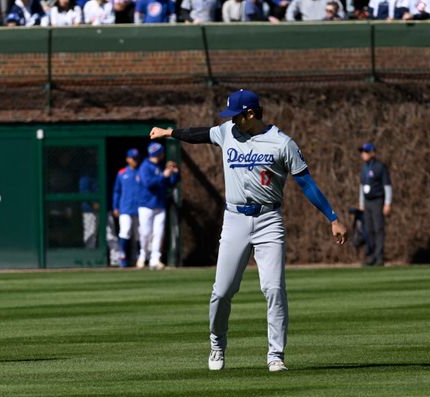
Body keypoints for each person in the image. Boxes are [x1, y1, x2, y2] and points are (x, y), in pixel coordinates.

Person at [149, 89, 348, 372]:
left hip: (269, 221)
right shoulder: (229, 131)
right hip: (234, 220)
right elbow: (201, 134)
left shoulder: (281, 143)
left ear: (251, 114)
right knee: (222, 291)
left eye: (236, 115)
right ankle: (217, 345)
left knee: (274, 289)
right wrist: (169, 132)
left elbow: (306, 183)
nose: (231, 120)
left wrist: (332, 217)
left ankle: (275, 355)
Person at [136, 142, 179, 270]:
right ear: (158, 153)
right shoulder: (145, 166)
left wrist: (174, 173)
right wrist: (163, 175)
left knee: (158, 233)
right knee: (145, 233)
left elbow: (169, 184)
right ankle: (143, 256)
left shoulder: (160, 167)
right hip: (146, 205)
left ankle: (155, 260)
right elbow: (148, 183)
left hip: (159, 204)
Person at [358, 142, 391, 266]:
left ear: (372, 152)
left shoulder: (380, 166)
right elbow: (361, 186)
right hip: (367, 201)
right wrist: (361, 202)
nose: (363, 154)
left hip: (377, 200)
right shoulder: (363, 167)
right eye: (362, 152)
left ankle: (379, 256)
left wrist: (387, 203)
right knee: (368, 229)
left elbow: (387, 186)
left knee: (379, 228)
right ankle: (370, 256)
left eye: (366, 151)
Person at [113, 148, 142, 268]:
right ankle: (123, 257)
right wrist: (115, 207)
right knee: (125, 232)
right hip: (125, 208)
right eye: (133, 159)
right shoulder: (122, 173)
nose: (135, 161)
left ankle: (138, 258)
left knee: (140, 234)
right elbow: (117, 191)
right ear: (128, 159)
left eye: (137, 159)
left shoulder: (142, 171)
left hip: (140, 208)